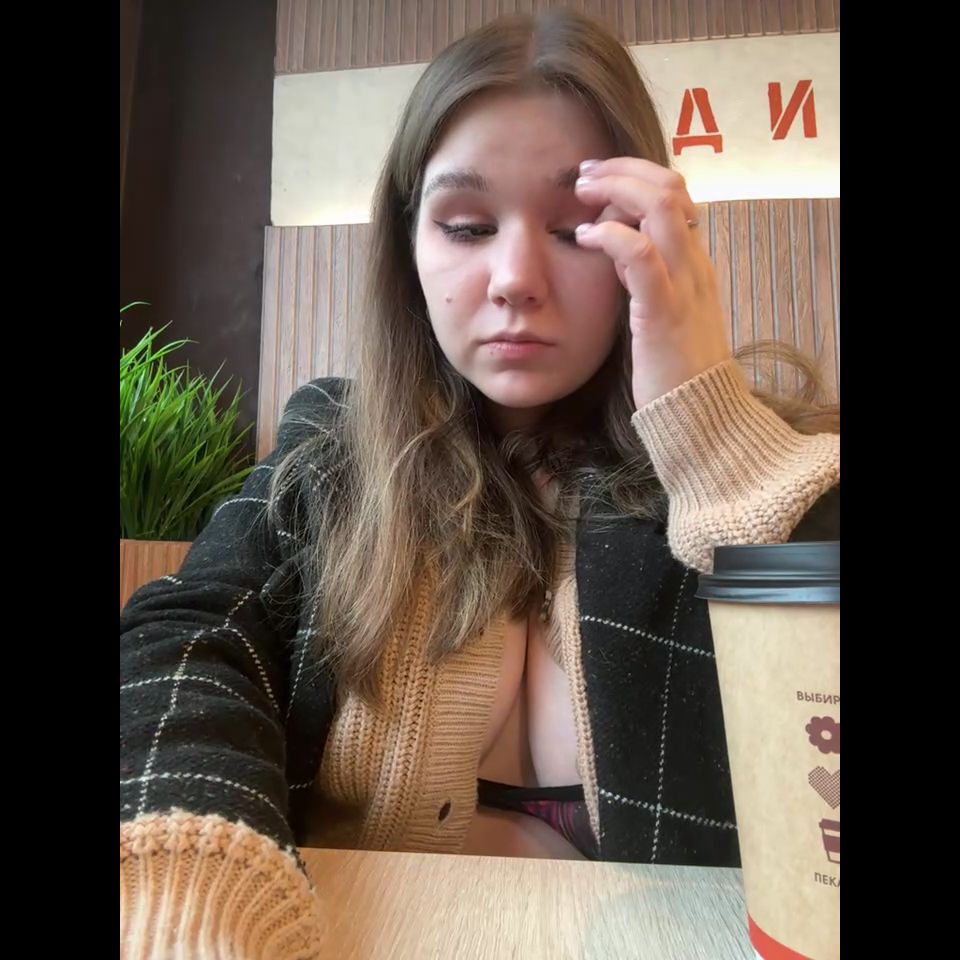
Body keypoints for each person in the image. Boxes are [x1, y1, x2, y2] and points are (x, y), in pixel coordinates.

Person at [120, 8, 839, 957]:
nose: (514, 278)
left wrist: (709, 435)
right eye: (465, 225)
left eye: (576, 229)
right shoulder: (332, 446)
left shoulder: (753, 462)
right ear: (409, 248)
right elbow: (184, 636)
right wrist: (193, 882)